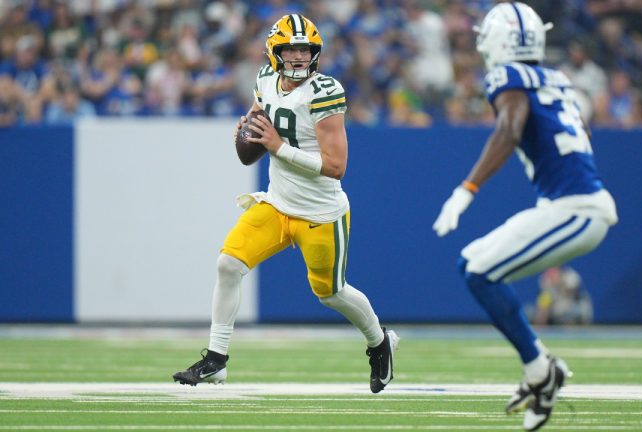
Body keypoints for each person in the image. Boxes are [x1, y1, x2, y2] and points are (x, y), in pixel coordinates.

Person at [173, 14, 399, 394]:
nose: (298, 56)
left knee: (331, 293)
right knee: (228, 263)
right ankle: (216, 359)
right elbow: (260, 128)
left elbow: (335, 167)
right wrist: (249, 134)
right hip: (277, 203)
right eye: (291, 49)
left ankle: (379, 342)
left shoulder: (325, 91)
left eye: (304, 49)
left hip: (319, 213)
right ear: (274, 52)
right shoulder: (264, 79)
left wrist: (279, 147)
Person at [432, 3, 618, 431]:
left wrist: (467, 189)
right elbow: (574, 135)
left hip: (576, 209)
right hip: (570, 204)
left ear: (497, 40)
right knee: (472, 265)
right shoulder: (557, 79)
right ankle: (539, 369)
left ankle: (540, 369)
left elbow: (510, 128)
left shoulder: (506, 75)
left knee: (479, 271)